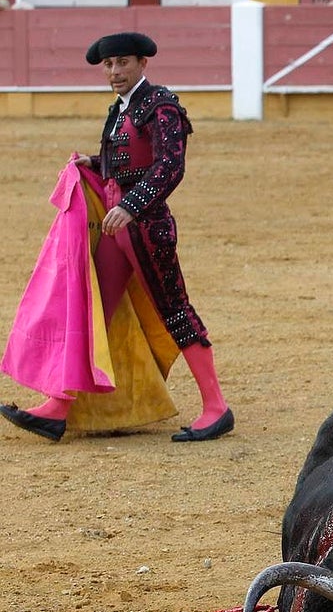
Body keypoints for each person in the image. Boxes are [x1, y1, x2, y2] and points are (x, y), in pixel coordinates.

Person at [0, 32, 234, 443]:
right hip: (116, 225)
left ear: (143, 63)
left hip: (145, 226)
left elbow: (169, 167)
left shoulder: (161, 105)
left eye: (122, 63)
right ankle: (59, 406)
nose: (114, 72)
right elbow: (123, 161)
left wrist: (132, 205)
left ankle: (217, 408)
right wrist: (93, 163)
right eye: (108, 65)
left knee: (174, 310)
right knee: (94, 311)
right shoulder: (121, 109)